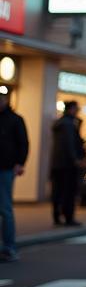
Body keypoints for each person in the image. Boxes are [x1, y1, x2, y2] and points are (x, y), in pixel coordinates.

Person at [0, 90, 29, 262]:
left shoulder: (15, 120)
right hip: (6, 166)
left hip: (6, 167)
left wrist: (20, 162)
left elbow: (23, 143)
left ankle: (9, 247)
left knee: (5, 208)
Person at [50, 100, 85, 226]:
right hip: (68, 164)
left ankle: (56, 216)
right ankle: (68, 217)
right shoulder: (69, 125)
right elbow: (70, 144)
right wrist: (75, 159)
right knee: (69, 191)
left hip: (57, 163)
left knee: (58, 191)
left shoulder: (59, 123)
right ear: (71, 109)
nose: (78, 111)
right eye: (77, 109)